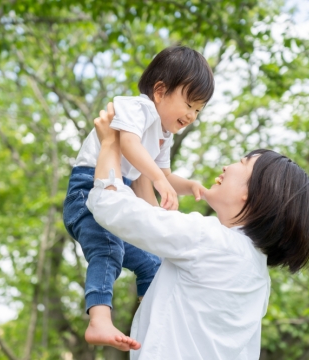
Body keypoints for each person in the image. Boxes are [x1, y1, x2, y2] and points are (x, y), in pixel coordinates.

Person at [85, 103, 309, 358]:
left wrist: (109, 143)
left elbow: (110, 206)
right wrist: (143, 160)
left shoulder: (210, 240)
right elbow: (155, 222)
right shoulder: (257, 279)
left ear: (251, 193)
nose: (226, 167)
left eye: (242, 162)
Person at [63, 46, 214, 349]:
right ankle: (99, 319)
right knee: (108, 250)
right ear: (160, 91)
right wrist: (158, 179)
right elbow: (129, 145)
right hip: (87, 190)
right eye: (189, 104)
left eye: (198, 110)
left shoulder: (163, 133)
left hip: (119, 191)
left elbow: (164, 174)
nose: (192, 115)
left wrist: (190, 186)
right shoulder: (136, 108)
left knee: (151, 262)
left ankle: (154, 321)